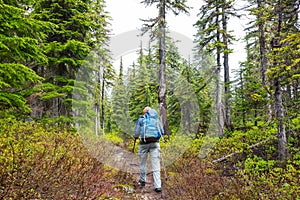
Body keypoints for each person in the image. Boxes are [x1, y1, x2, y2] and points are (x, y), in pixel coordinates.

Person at [134, 106, 164, 193]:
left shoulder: (141, 119)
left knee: (143, 163)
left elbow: (136, 133)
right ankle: (158, 186)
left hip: (143, 144)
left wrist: (135, 137)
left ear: (145, 112)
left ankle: (143, 181)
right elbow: (162, 132)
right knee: (156, 165)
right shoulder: (156, 119)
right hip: (155, 144)